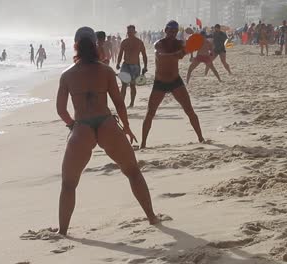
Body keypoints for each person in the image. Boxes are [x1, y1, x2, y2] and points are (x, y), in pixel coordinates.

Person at [56, 27, 158, 236]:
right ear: (95, 45)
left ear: (75, 45)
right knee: (132, 171)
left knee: (69, 183)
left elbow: (60, 109)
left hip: (82, 127)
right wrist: (127, 128)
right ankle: (152, 217)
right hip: (106, 124)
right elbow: (119, 104)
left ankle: (63, 231)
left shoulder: (67, 75)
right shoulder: (105, 71)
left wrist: (72, 125)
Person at [141, 21, 204, 149]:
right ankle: (143, 144)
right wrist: (178, 54)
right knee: (150, 113)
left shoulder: (179, 43)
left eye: (175, 32)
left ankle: (201, 138)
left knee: (189, 110)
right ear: (165, 30)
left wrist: (187, 50)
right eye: (170, 31)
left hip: (175, 81)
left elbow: (190, 47)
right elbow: (162, 56)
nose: (172, 34)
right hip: (160, 82)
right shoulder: (158, 44)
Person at [116, 25, 148, 108]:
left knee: (132, 85)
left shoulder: (139, 42)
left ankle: (132, 103)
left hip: (135, 66)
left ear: (134, 32)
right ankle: (121, 103)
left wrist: (145, 66)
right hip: (125, 65)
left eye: (131, 32)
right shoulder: (124, 42)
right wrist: (118, 63)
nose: (129, 33)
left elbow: (144, 55)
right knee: (124, 85)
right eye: (128, 32)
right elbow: (120, 54)